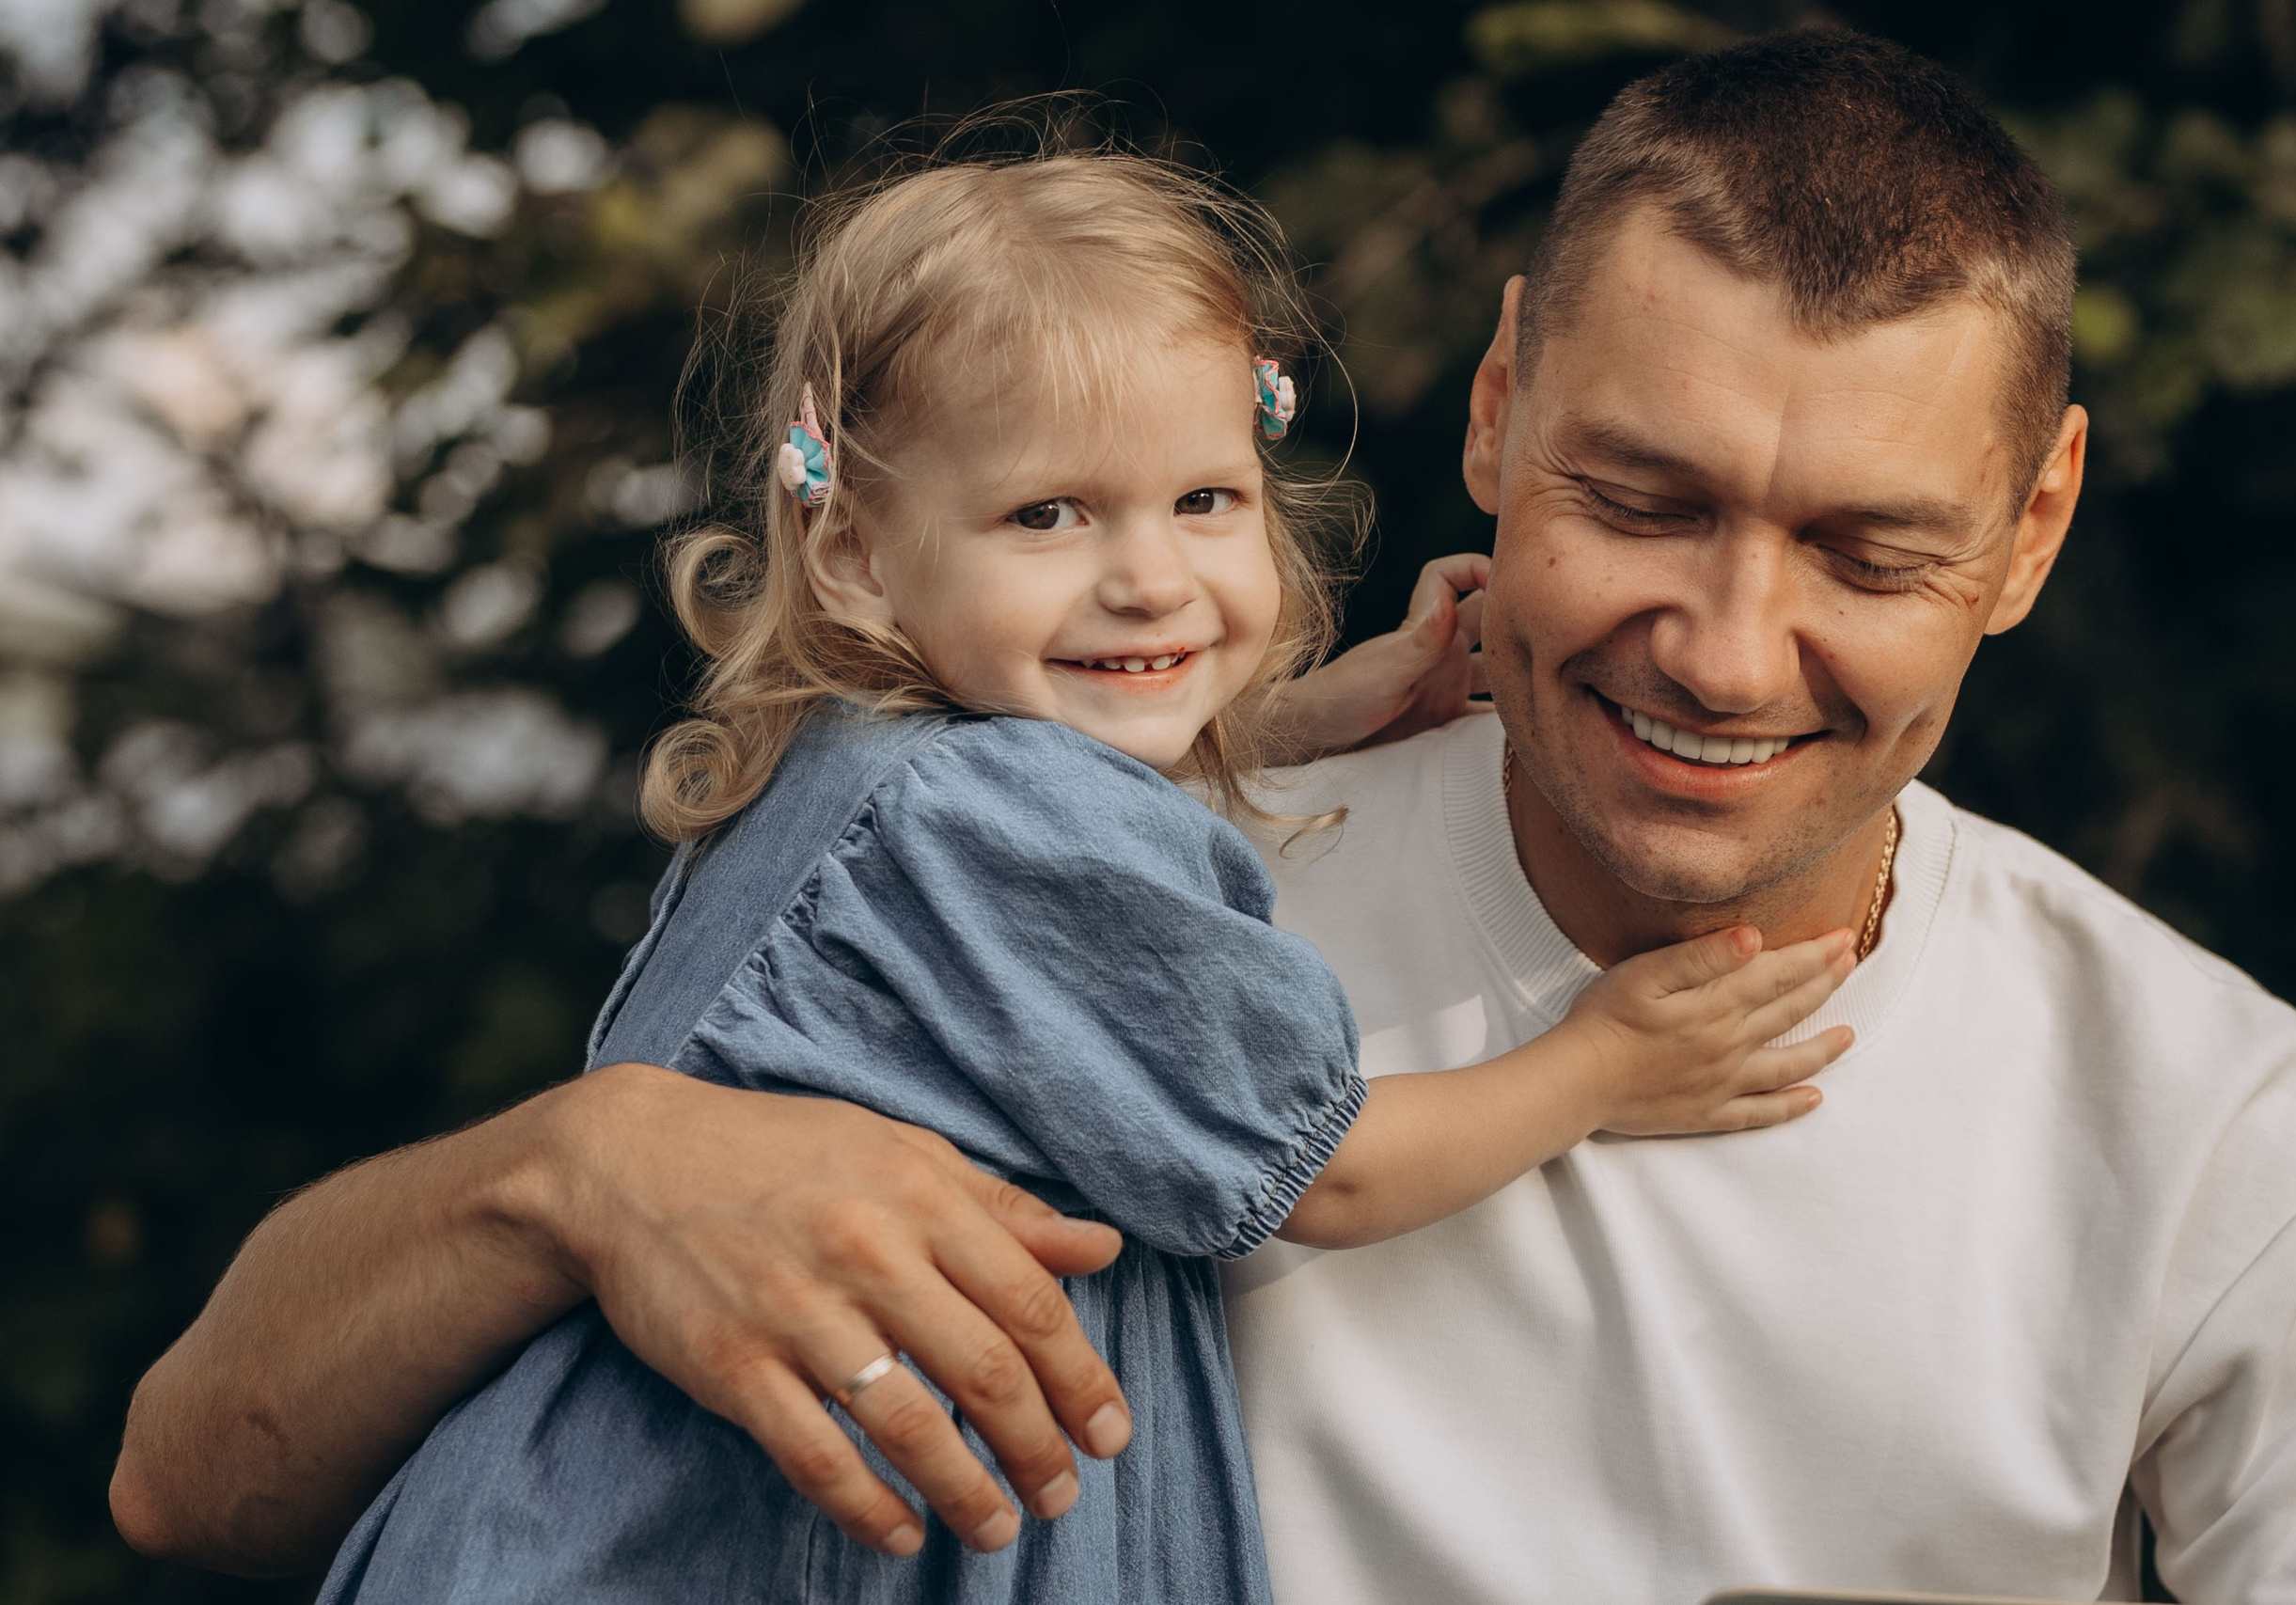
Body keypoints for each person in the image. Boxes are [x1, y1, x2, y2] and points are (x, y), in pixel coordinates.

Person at [113, 28, 2296, 1605]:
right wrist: (575, 1167)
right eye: (1638, 499)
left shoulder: (2216, 1137)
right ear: (1494, 408)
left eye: (1864, 551)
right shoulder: (1095, 870)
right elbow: (188, 1476)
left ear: (2030, 527)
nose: (1725, 648)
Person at [302, 147, 1855, 1604]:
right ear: (854, 551)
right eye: (1047, 514)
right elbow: (1319, 1171)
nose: (1150, 576)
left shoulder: (871, 758)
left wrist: (1299, 717)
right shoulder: (1006, 821)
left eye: (1205, 500)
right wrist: (1598, 1066)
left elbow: (1064, 796)